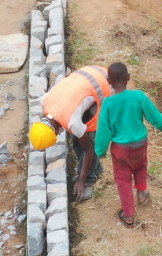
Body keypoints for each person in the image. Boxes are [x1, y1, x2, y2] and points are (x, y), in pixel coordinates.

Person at [92, 63, 162, 228]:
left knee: (123, 179)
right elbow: (155, 117)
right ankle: (142, 193)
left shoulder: (108, 104)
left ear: (108, 81)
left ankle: (128, 215)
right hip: (140, 144)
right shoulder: (139, 96)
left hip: (120, 149)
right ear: (128, 77)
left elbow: (104, 130)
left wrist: (100, 151)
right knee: (140, 166)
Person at [36, 63, 114, 200]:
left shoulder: (72, 121)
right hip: (88, 72)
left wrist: (80, 181)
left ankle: (89, 179)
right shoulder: (45, 100)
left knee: (90, 137)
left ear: (54, 132)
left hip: (106, 82)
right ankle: (95, 168)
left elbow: (89, 149)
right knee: (78, 135)